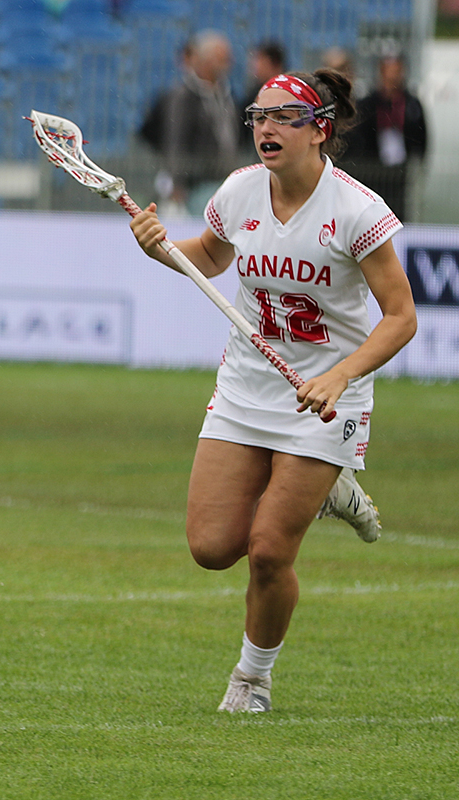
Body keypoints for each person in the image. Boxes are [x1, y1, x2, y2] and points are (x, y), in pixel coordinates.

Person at [128, 69, 417, 713]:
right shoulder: (240, 191)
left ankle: (251, 679)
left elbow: (401, 317)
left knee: (267, 551)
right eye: (259, 115)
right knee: (211, 547)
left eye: (284, 117)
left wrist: (341, 375)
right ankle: (329, 488)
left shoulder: (357, 211)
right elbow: (208, 257)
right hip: (247, 386)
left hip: (328, 399)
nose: (266, 127)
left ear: (319, 130)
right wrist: (158, 248)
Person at [158, 30, 243, 215]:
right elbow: (176, 139)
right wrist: (178, 181)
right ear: (206, 61)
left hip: (225, 179)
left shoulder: (226, 93)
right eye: (222, 58)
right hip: (198, 183)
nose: (228, 63)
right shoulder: (184, 96)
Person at [346, 53, 428, 222]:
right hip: (372, 173)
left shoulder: (412, 104)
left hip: (401, 174)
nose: (392, 77)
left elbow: (421, 137)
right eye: (388, 72)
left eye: (396, 72)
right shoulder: (368, 104)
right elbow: (358, 137)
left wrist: (416, 158)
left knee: (399, 213)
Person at [237, 40, 286, 146]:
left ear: (274, 64)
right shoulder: (252, 96)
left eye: (259, 61)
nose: (254, 66)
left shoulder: (289, 96)